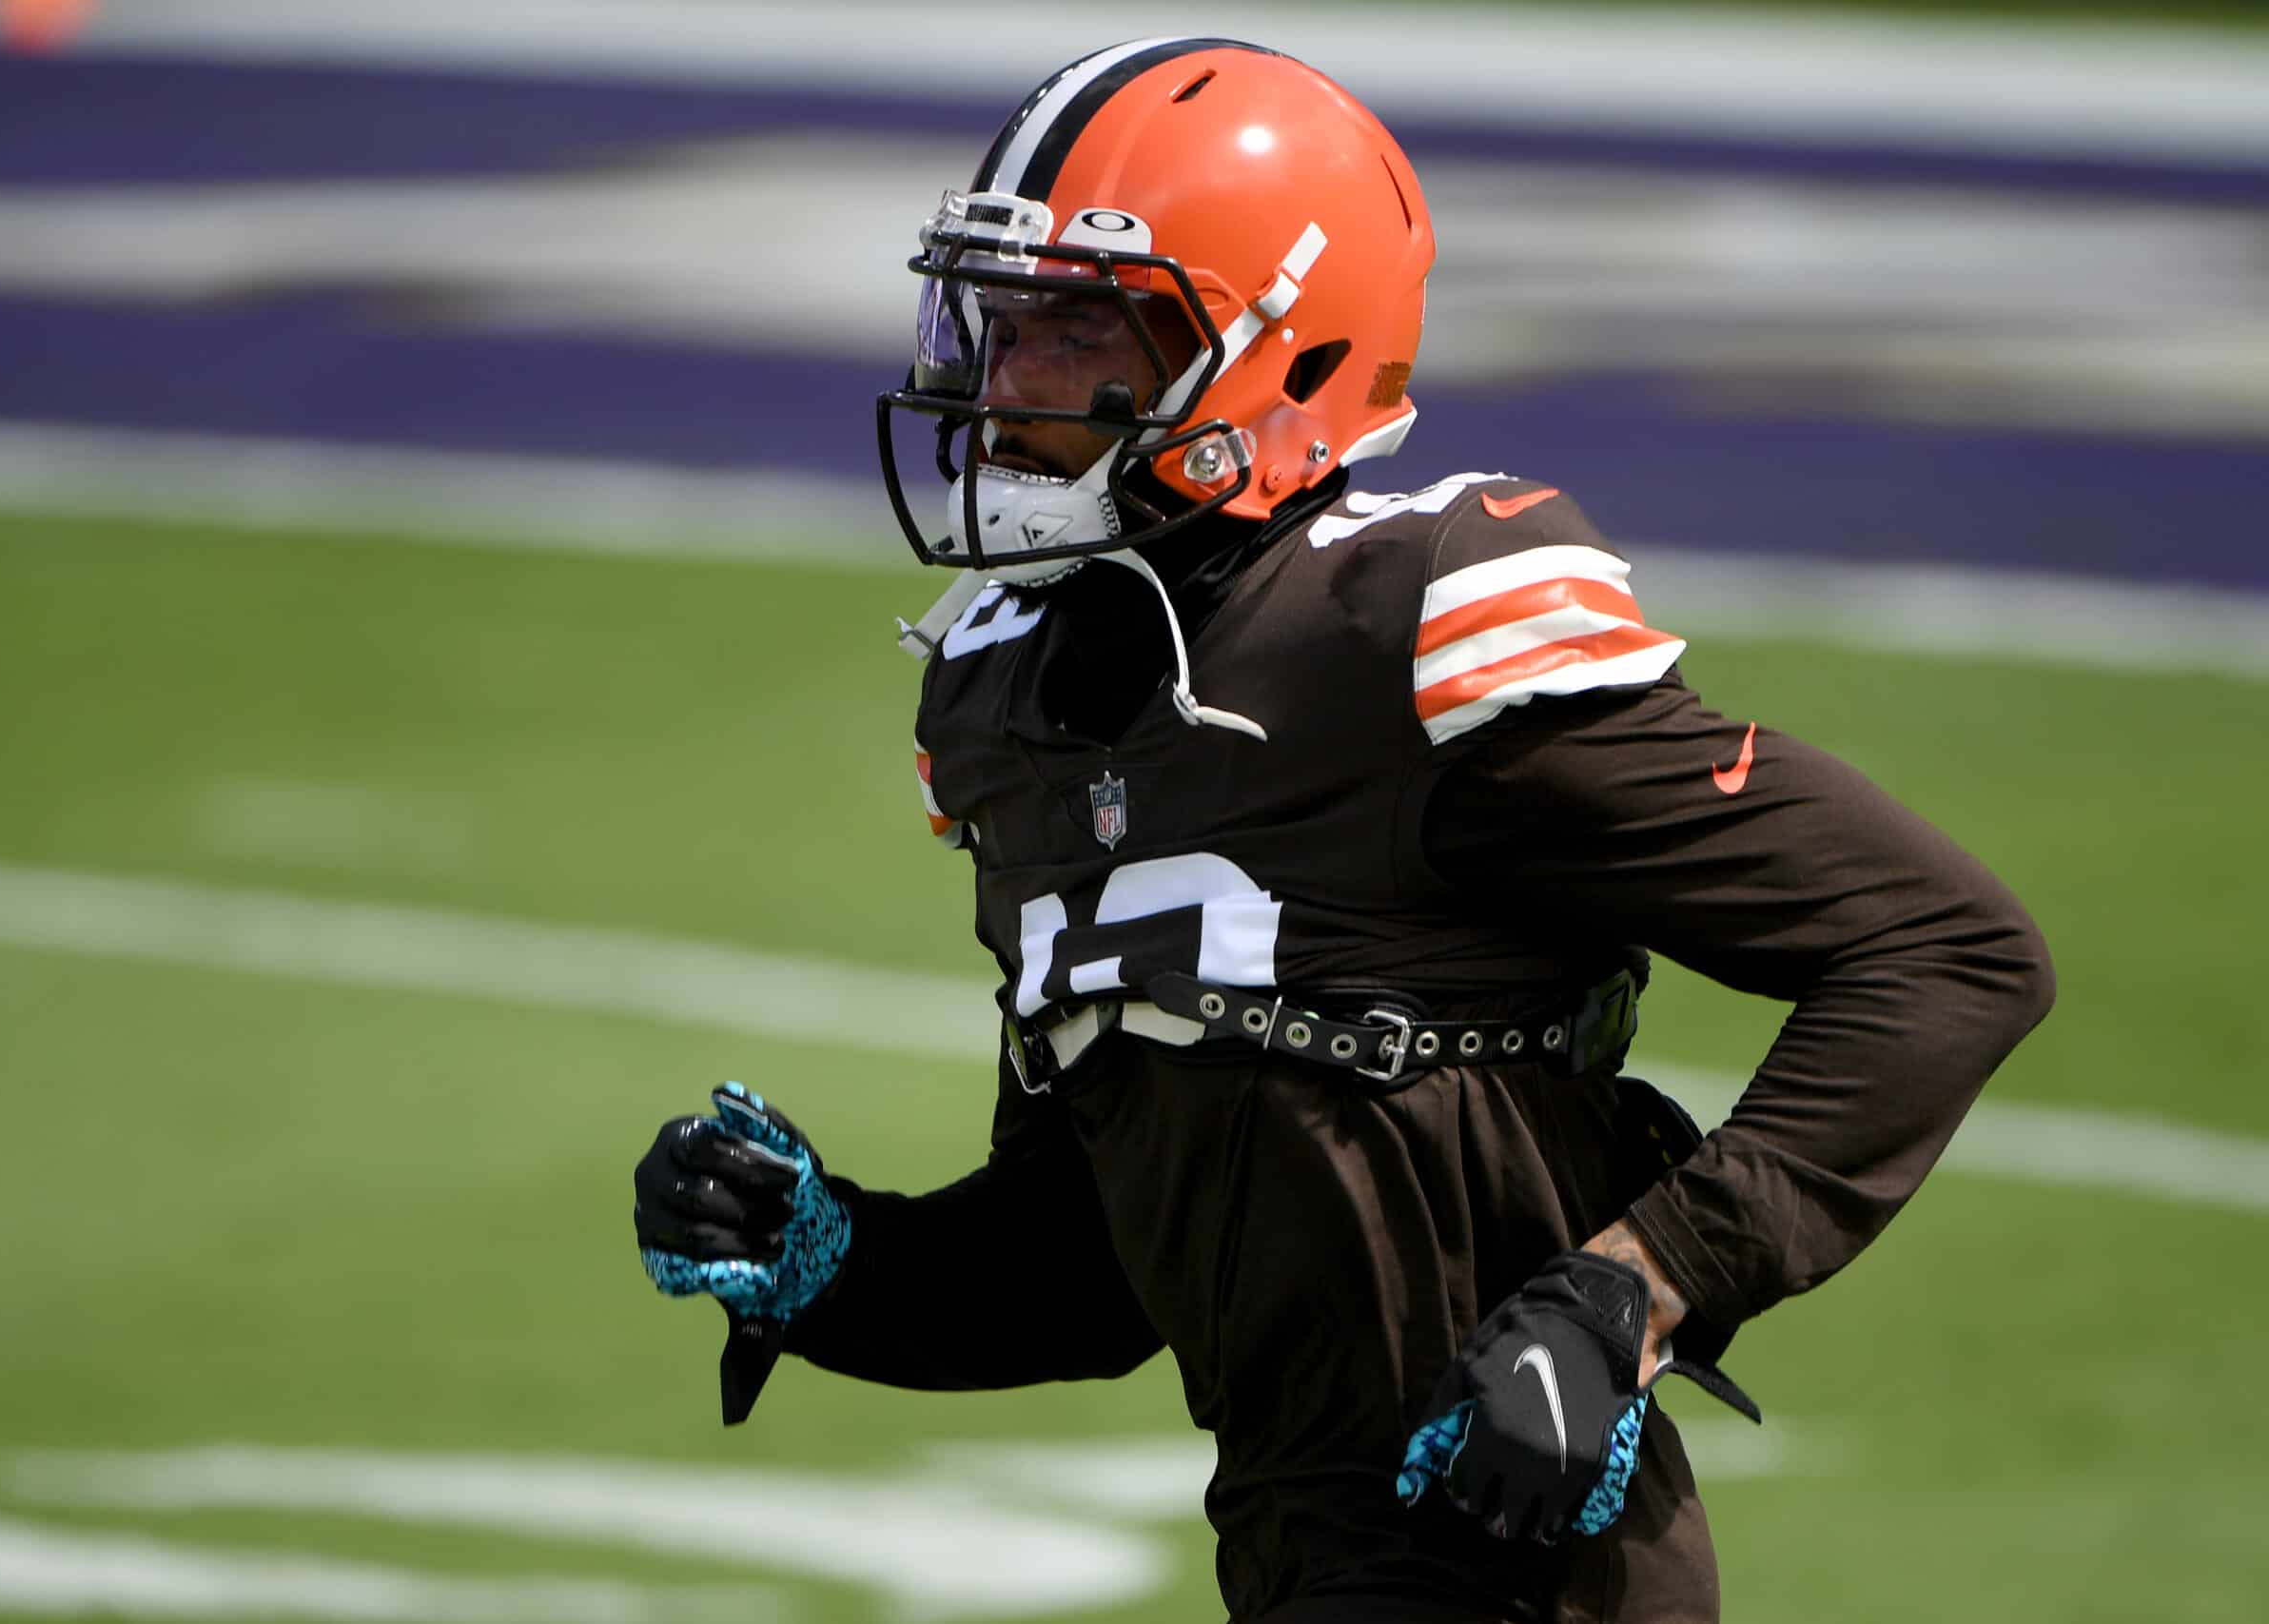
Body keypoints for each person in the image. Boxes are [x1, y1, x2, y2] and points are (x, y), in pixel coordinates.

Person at [632, 37, 2054, 1624]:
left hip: (1527, 1559)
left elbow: (1945, 950)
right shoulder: (1008, 702)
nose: (1005, 379)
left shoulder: (1411, 630)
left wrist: (1635, 1292)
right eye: (1001, 317)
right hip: (1300, 1554)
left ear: (1283, 354)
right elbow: (1101, 1255)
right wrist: (840, 1263)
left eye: (1079, 326)